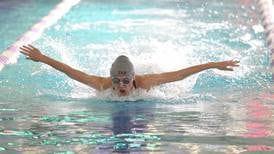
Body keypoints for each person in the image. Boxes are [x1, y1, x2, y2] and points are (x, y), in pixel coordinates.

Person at [20, 44, 240, 97]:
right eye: (118, 81)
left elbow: (180, 74)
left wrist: (213, 64)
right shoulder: (102, 84)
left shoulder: (145, 83)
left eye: (126, 81)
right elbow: (70, 71)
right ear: (111, 78)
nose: (122, 86)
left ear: (133, 79)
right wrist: (42, 58)